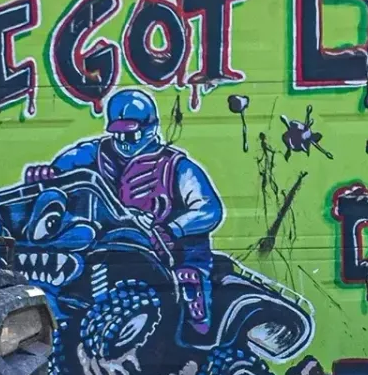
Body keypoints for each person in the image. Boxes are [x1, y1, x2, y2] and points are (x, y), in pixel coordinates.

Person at [24, 89, 223, 335]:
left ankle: (194, 336)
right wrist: (47, 175)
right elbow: (63, 168)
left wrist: (173, 228)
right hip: (111, 248)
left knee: (190, 291)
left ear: (150, 128)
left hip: (174, 253)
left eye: (131, 133)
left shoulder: (177, 166)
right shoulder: (94, 153)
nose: (123, 140)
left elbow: (208, 208)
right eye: (117, 133)